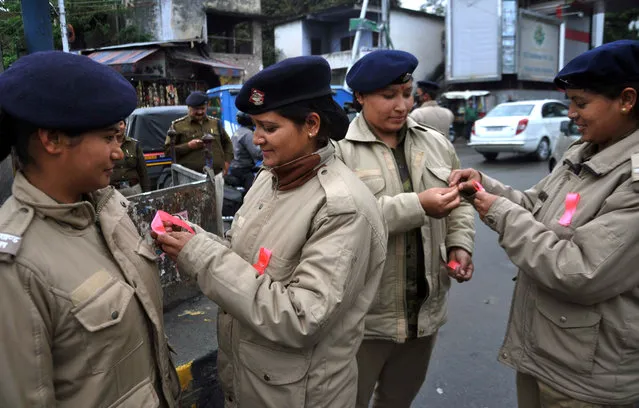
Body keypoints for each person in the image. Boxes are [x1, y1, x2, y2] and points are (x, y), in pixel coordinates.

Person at [153, 56, 387, 408]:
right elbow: (244, 261)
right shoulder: (269, 179)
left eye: (269, 128)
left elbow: (300, 317)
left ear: (311, 124)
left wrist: (201, 255)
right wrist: (196, 240)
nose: (257, 139)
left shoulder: (341, 207)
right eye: (255, 126)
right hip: (253, 385)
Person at [449, 39, 639, 407]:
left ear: (627, 100)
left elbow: (579, 270)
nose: (570, 113)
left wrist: (499, 212)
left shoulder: (633, 179)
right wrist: (482, 188)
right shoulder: (583, 152)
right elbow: (536, 207)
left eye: (581, 103)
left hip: (589, 378)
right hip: (547, 354)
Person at [0, 51, 180, 407]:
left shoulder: (109, 207)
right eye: (108, 137)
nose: (118, 152)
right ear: (52, 139)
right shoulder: (16, 267)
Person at [334, 49, 476, 408]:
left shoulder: (436, 143)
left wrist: (460, 244)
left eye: (407, 93)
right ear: (360, 97)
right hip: (365, 320)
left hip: (423, 313)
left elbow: (460, 204)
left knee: (398, 401)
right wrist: (417, 206)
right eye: (388, 96)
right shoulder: (338, 152)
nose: (401, 105)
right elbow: (341, 222)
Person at [164, 91, 233, 175]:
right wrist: (188, 146)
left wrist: (226, 164)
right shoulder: (177, 126)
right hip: (190, 177)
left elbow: (228, 144)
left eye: (202, 108)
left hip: (216, 175)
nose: (200, 112)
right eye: (196, 109)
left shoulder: (216, 123)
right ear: (189, 108)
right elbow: (168, 151)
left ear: (207, 107)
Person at [110, 120, 152, 195]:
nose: (118, 127)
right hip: (113, 192)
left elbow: (143, 171)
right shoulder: (107, 146)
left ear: (125, 126)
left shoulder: (134, 144)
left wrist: (147, 193)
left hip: (133, 190)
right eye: (115, 124)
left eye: (121, 124)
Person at [225, 111, 262, 191]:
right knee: (253, 192)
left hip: (235, 168)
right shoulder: (247, 134)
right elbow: (258, 153)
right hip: (244, 171)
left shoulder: (238, 131)